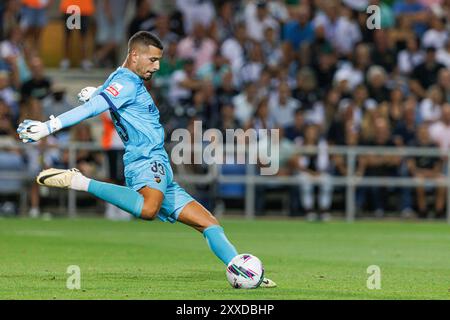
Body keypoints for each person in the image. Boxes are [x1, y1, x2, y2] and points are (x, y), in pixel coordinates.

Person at [16, 31, 276, 288]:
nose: (157, 66)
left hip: (159, 162)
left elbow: (112, 97)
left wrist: (97, 91)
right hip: (145, 159)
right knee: (148, 209)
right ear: (135, 55)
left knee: (209, 224)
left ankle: (244, 272)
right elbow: (93, 109)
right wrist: (49, 126)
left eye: (159, 60)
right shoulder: (127, 82)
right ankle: (80, 181)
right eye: (152, 60)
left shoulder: (122, 80)